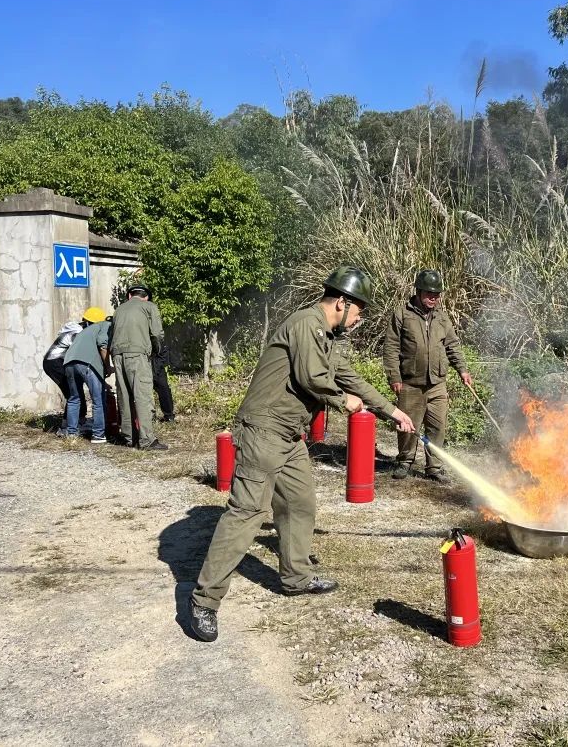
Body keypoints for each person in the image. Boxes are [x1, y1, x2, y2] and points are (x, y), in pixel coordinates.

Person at [188, 266, 416, 643]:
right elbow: (314, 378)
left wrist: (391, 411)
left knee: (299, 503)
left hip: (289, 435)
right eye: (358, 312)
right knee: (248, 513)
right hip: (263, 429)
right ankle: (204, 601)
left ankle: (296, 578)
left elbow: (349, 377)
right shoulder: (306, 324)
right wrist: (346, 402)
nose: (359, 321)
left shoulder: (326, 337)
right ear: (341, 302)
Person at [382, 269, 472, 482]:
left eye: (437, 294)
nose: (434, 298)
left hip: (437, 384)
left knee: (437, 426)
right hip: (410, 383)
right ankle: (404, 461)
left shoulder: (442, 317)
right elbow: (391, 347)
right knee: (407, 426)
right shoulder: (402, 313)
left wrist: (462, 369)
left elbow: (452, 344)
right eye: (430, 294)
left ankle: (434, 468)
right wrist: (394, 377)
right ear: (419, 291)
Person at [109, 284, 167, 451]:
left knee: (124, 395)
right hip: (137, 355)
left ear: (129, 296)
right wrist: (157, 350)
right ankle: (147, 440)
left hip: (117, 356)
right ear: (146, 297)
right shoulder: (149, 307)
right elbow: (156, 333)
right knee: (142, 396)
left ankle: (129, 437)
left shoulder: (119, 310)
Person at [62, 307, 111, 443]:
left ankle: (71, 432)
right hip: (87, 364)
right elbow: (103, 346)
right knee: (98, 400)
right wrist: (108, 367)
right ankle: (98, 435)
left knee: (74, 398)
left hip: (69, 363)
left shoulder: (85, 331)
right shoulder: (106, 325)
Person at [42, 316, 86, 424]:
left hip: (54, 361)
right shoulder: (78, 333)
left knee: (74, 391)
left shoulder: (75, 329)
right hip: (55, 362)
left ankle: (74, 422)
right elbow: (80, 352)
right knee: (73, 392)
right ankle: (69, 424)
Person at [153, 343, 175, 423]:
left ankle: (169, 415)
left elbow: (159, 336)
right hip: (142, 357)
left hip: (156, 356)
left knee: (163, 387)